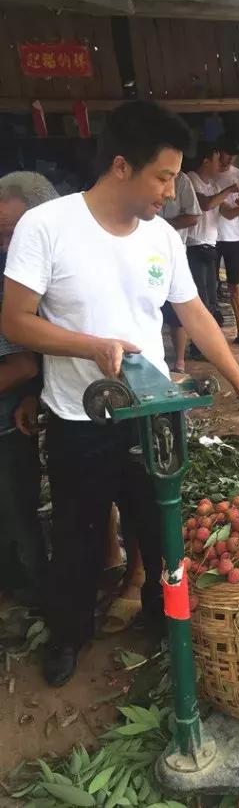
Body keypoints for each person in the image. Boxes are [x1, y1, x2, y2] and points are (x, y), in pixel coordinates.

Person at [2, 100, 239, 687]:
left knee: (159, 529)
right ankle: (69, 635)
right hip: (78, 417)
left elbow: (194, 312)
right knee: (78, 534)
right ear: (122, 166)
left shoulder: (161, 239)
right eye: (163, 177)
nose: (170, 192)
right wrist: (89, 346)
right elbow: (17, 322)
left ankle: (163, 624)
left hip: (154, 416)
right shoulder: (48, 227)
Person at [0, 172, 56, 607]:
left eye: (13, 231)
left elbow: (23, 362)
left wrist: (33, 391)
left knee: (18, 519)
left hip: (12, 420)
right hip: (24, 405)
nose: (8, 240)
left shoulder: (23, 277)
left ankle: (36, 598)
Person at [186, 143, 239, 332]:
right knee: (201, 296)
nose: (221, 166)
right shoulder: (191, 178)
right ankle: (198, 344)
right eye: (217, 161)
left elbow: (228, 213)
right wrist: (229, 190)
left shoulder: (213, 184)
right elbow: (205, 204)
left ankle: (206, 340)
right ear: (206, 162)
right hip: (195, 244)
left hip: (210, 245)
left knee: (211, 297)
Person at [211, 136, 239, 346]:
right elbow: (225, 210)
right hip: (210, 237)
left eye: (233, 157)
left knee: (234, 284)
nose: (229, 161)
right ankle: (210, 334)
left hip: (233, 236)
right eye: (226, 156)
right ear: (217, 153)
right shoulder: (209, 176)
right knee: (209, 286)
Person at [160, 170, 201, 371]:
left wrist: (162, 226)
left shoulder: (182, 180)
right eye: (161, 179)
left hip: (173, 253)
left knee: (176, 310)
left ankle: (179, 361)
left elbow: (193, 216)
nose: (169, 193)